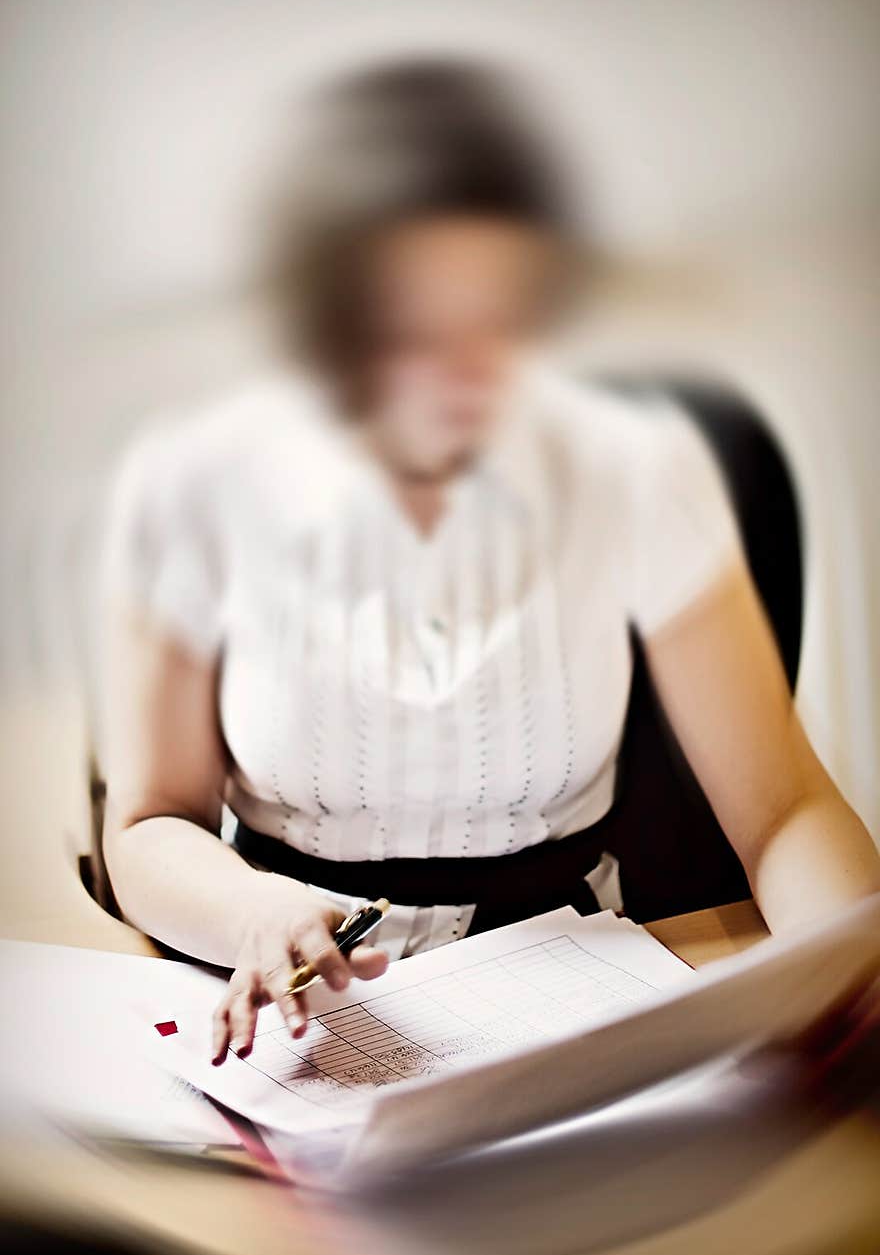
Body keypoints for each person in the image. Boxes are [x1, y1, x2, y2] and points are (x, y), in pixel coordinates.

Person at [101, 58, 880, 1064]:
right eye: (412, 329)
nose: (467, 373)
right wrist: (251, 914)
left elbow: (781, 810)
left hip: (581, 990)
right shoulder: (192, 482)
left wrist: (848, 950)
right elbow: (149, 823)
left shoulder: (636, 467)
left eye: (498, 321)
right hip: (293, 1001)